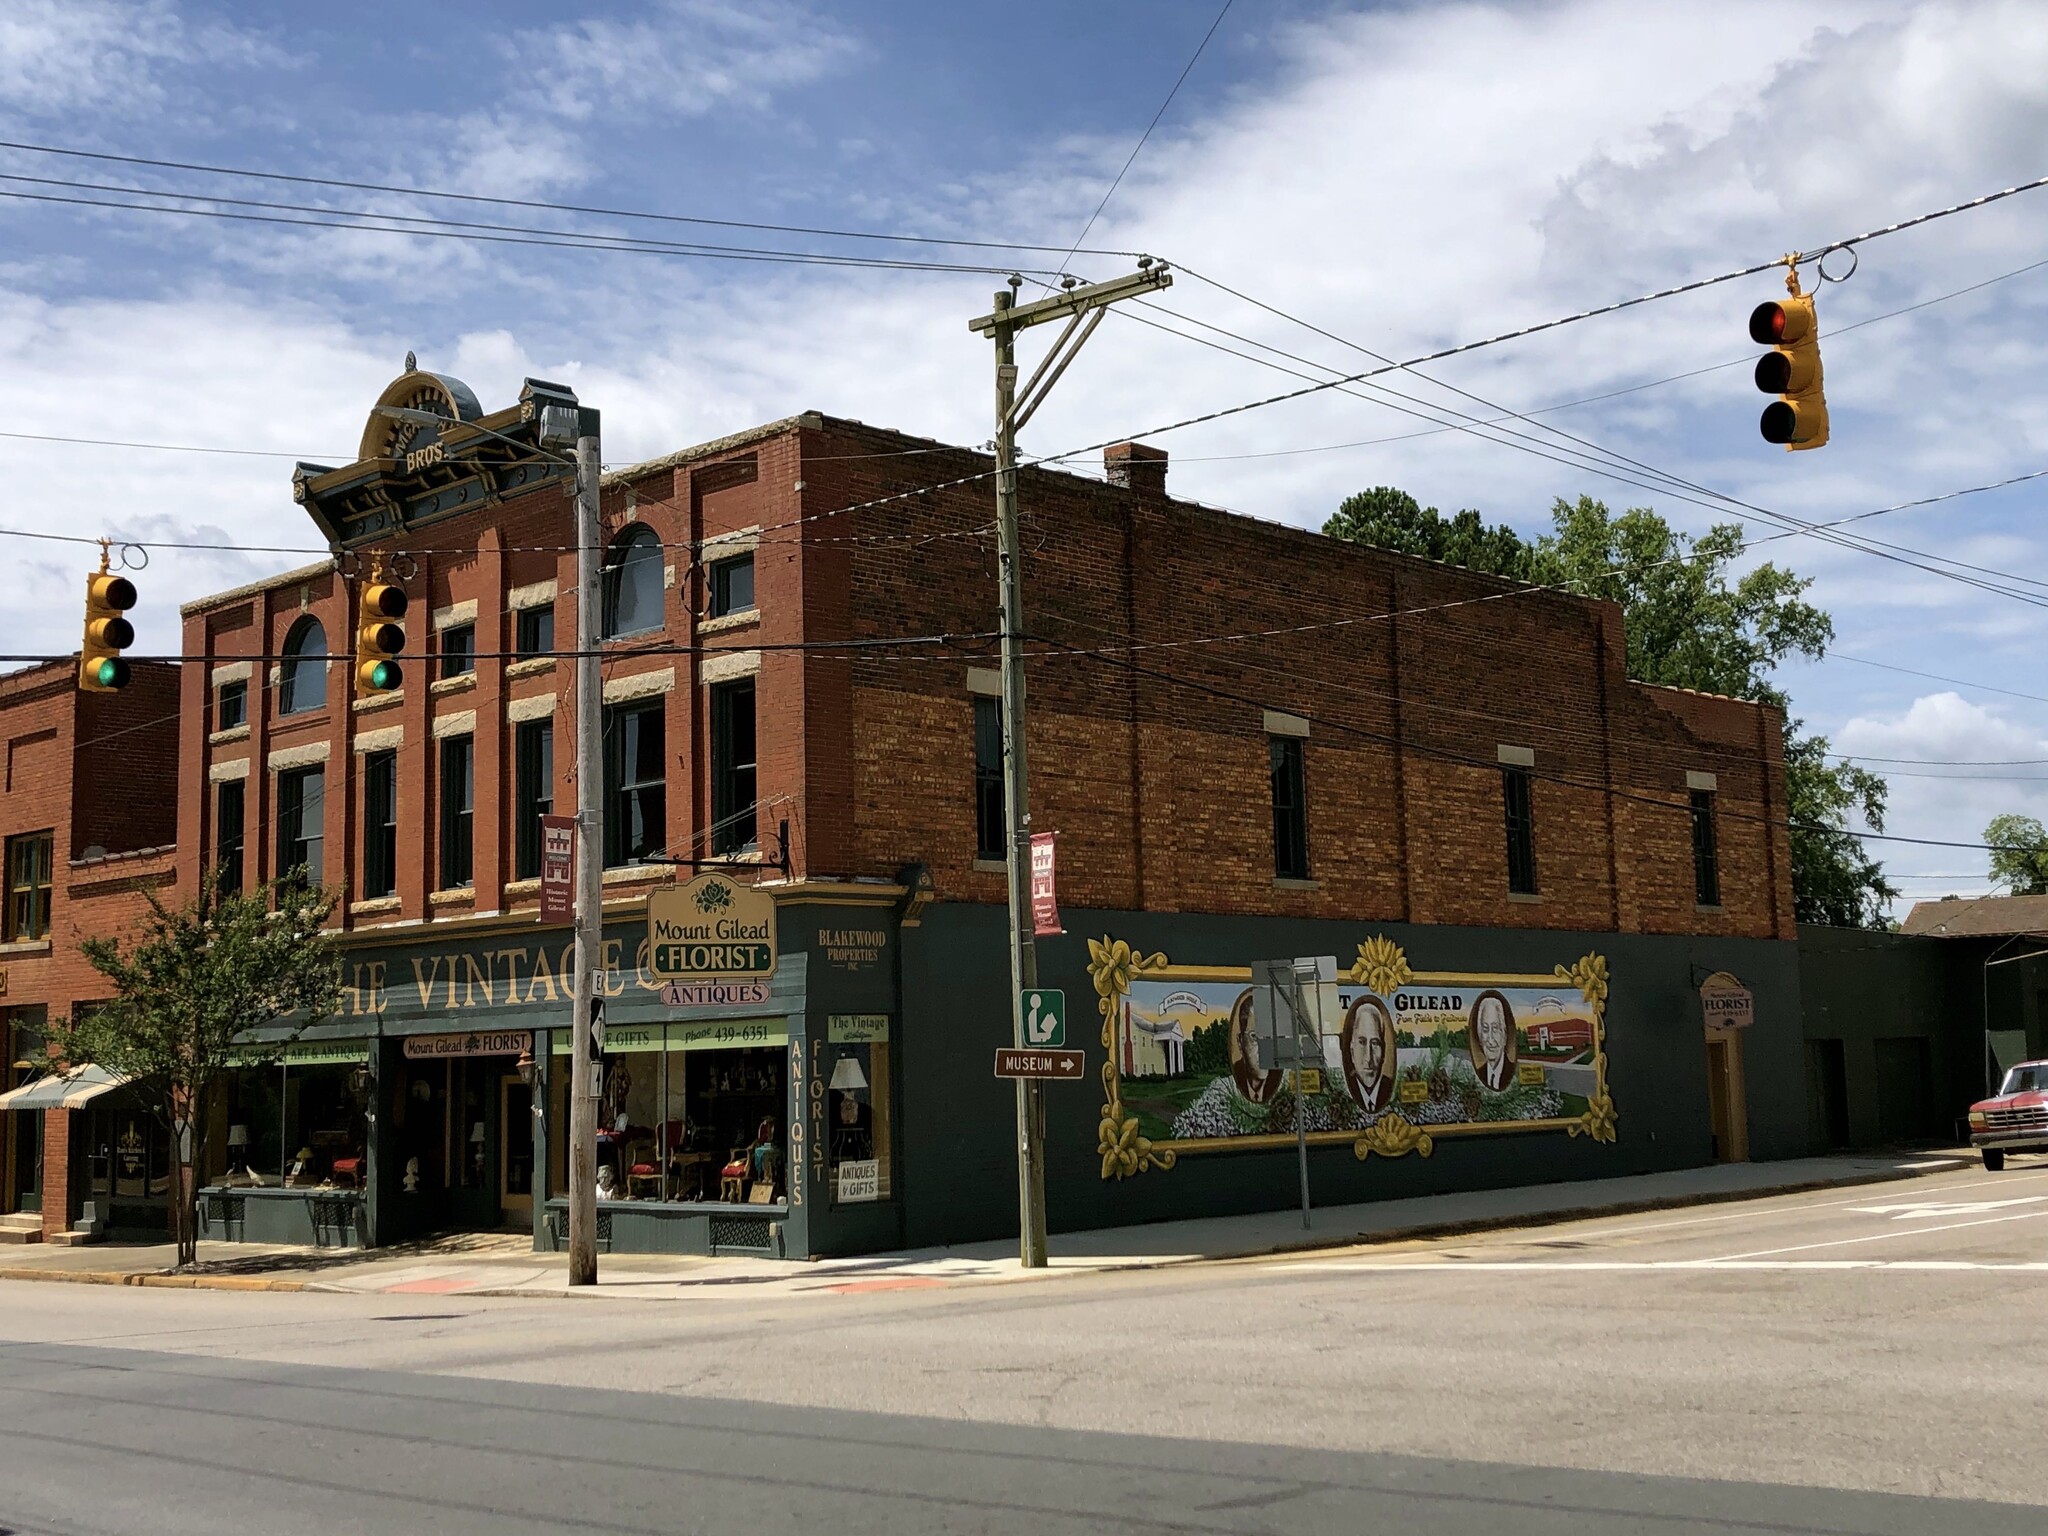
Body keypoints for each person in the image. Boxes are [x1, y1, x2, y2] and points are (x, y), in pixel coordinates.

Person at [1342, 996, 1396, 1112]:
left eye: (1375, 1043)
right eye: (1361, 1042)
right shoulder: (1346, 1090)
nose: (1368, 1057)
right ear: (1351, 1050)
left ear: (1383, 1052)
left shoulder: (1387, 1089)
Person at [1228, 989, 1279, 1104]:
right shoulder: (1233, 1080)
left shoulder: (1279, 1079)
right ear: (1240, 1042)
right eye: (1255, 1036)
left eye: (1268, 1037)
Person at [1469, 990, 1517, 1091]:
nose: (1490, 1040)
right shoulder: (1480, 1073)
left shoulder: (1512, 1073)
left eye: (1495, 1028)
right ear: (1480, 1036)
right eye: (1485, 1029)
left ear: (1504, 1035)